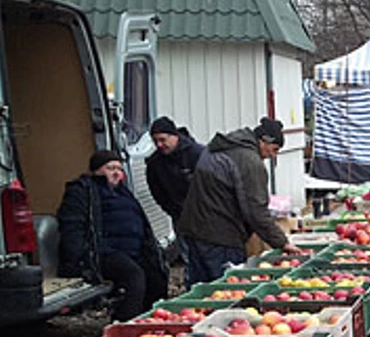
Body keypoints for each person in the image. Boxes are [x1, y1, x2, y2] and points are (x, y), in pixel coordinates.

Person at [179, 117, 302, 285]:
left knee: (200, 292)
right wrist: (282, 242)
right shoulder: (249, 161)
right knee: (226, 291)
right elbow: (256, 211)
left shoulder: (222, 147)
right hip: (222, 236)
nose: (273, 156)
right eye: (274, 149)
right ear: (264, 141)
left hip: (195, 230)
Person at [57, 150, 168, 321]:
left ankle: (149, 321)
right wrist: (78, 258)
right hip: (103, 252)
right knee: (134, 276)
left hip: (133, 251)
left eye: (119, 168)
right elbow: (72, 226)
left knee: (157, 275)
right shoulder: (82, 190)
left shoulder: (124, 192)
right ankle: (124, 325)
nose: (116, 172)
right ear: (97, 170)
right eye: (110, 168)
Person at [145, 116, 205, 225]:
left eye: (162, 140)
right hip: (180, 218)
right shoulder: (155, 163)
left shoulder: (197, 155)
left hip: (205, 215)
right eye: (155, 141)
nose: (159, 145)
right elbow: (157, 193)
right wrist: (174, 211)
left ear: (174, 136)